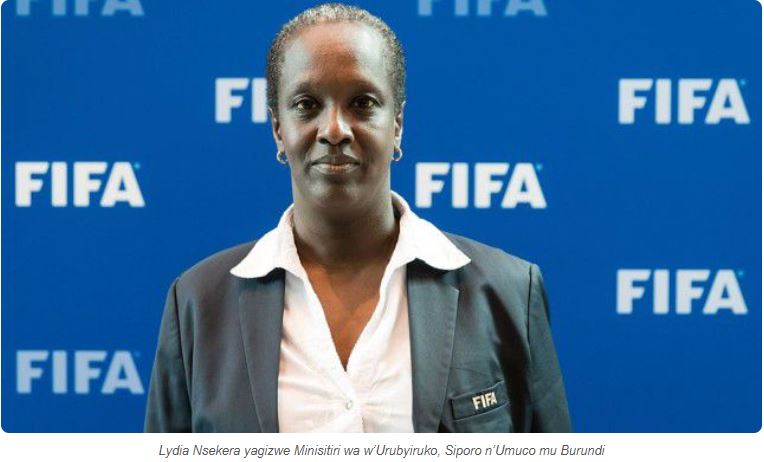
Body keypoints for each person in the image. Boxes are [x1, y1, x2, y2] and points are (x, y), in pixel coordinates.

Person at [144, 3, 570, 433]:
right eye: (307, 105)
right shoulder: (197, 304)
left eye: (362, 103)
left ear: (397, 124)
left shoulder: (509, 292)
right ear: (277, 129)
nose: (334, 129)